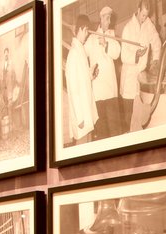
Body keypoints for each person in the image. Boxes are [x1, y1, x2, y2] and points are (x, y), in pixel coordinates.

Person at [119, 0, 161, 132]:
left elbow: (157, 42)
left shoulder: (149, 25)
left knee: (139, 118)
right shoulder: (128, 28)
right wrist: (136, 55)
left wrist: (155, 60)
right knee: (128, 117)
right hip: (129, 77)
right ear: (138, 10)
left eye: (146, 15)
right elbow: (123, 56)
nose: (144, 18)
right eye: (142, 15)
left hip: (140, 77)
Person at [87, 6, 121, 140]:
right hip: (98, 91)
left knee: (115, 129)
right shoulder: (91, 37)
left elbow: (117, 54)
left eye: (110, 18)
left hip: (110, 90)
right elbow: (84, 52)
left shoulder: (112, 35)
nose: (109, 21)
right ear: (101, 19)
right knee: (102, 130)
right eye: (106, 18)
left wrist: (106, 44)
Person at [65, 14, 98, 146]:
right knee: (82, 147)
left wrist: (91, 75)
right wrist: (79, 118)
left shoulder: (81, 50)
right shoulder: (73, 54)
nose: (87, 35)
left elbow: (82, 78)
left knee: (89, 143)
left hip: (86, 108)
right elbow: (73, 89)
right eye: (86, 32)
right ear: (81, 29)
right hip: (81, 115)